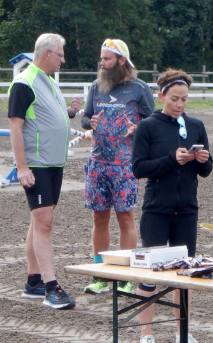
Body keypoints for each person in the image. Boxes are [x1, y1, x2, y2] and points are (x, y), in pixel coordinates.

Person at [132, 69, 213, 343]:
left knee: (185, 273)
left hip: (187, 209)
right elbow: (138, 168)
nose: (180, 104)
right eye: (175, 99)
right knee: (151, 273)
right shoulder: (148, 127)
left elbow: (205, 170)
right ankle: (146, 336)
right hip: (156, 209)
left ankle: (182, 333)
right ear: (161, 96)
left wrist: (203, 160)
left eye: (184, 99)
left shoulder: (195, 125)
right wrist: (171, 160)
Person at [8, 33, 81, 309]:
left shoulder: (48, 81)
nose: (63, 59)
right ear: (47, 53)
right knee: (44, 223)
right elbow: (16, 127)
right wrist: (22, 167)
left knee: (39, 222)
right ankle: (52, 287)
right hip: (36, 164)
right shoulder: (24, 83)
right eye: (61, 54)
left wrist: (70, 112)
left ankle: (33, 281)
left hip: (53, 163)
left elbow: (49, 115)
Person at [81, 39, 155, 295]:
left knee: (126, 219)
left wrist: (139, 128)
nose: (102, 63)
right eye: (102, 59)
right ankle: (101, 274)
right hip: (98, 163)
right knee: (99, 218)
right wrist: (89, 121)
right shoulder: (95, 87)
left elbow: (153, 120)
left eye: (107, 59)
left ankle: (124, 277)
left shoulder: (139, 88)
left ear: (121, 61)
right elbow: (84, 118)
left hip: (125, 165)